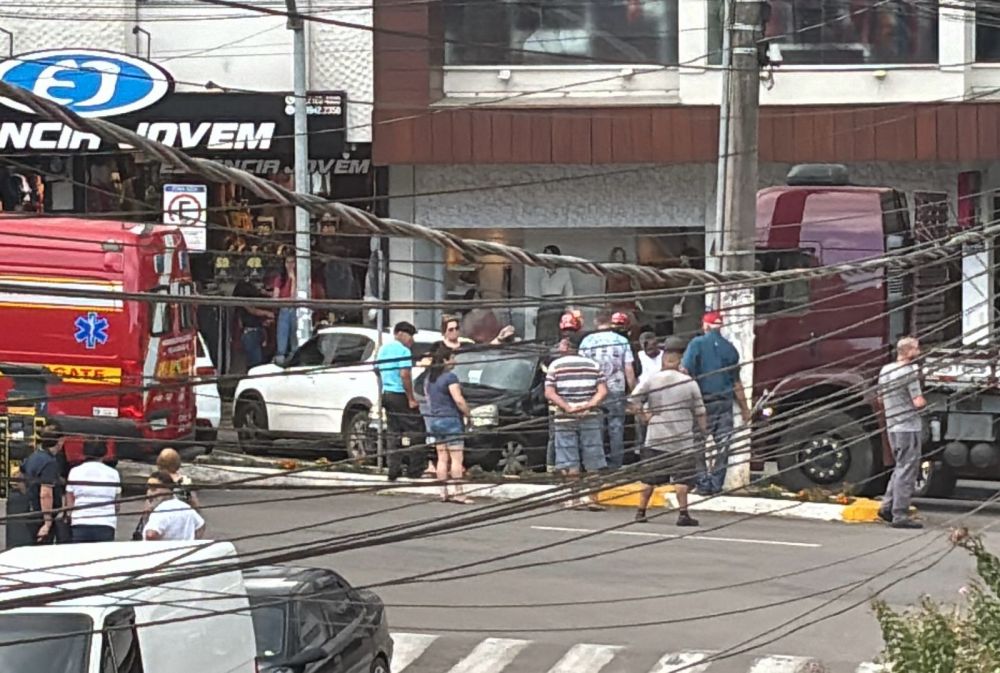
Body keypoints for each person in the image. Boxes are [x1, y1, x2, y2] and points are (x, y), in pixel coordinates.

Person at [629, 337, 707, 526]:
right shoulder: (689, 383)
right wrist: (704, 433)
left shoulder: (652, 380)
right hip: (682, 438)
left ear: (664, 359)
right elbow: (700, 412)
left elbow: (633, 401)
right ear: (679, 360)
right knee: (682, 478)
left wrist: (645, 417)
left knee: (649, 477)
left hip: (655, 435)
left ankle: (641, 511)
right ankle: (683, 514)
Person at [681, 311, 751, 495]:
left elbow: (686, 371)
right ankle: (717, 484)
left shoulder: (696, 344)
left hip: (703, 402)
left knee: (698, 444)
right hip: (725, 403)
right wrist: (745, 409)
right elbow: (737, 382)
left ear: (705, 325)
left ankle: (703, 483)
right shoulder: (730, 348)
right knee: (723, 445)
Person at [545, 333, 609, 511]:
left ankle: (573, 499)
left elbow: (549, 392)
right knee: (593, 456)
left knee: (568, 457)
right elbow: (602, 391)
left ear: (567, 346)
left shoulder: (555, 365)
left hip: (564, 416)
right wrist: (588, 406)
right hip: (590, 415)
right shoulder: (593, 365)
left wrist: (567, 407)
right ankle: (592, 499)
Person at [877, 337, 927, 529]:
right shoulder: (909, 372)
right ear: (908, 352)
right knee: (908, 470)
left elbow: (881, 399)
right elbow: (918, 402)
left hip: (893, 426)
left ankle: (887, 506)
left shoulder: (885, 370)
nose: (919, 351)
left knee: (900, 467)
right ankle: (900, 514)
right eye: (916, 348)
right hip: (909, 427)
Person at [579, 309, 637, 469]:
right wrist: (633, 392)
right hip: (616, 389)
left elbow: (582, 368)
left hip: (593, 390)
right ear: (611, 322)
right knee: (616, 428)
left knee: (594, 428)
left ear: (596, 322)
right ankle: (615, 465)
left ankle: (596, 465)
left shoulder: (587, 341)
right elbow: (629, 369)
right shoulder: (622, 340)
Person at [376, 321, 424, 480]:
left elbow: (376, 370)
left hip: (387, 394)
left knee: (393, 432)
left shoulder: (383, 349)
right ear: (401, 334)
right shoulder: (403, 351)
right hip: (399, 394)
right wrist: (411, 398)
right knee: (416, 430)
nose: (412, 341)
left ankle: (393, 469)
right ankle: (415, 469)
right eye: (411, 336)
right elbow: (405, 375)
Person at [426, 346, 474, 503]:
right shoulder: (450, 378)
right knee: (456, 459)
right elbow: (458, 400)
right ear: (445, 360)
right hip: (451, 420)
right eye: (452, 357)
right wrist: (468, 414)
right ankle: (459, 493)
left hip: (435, 420)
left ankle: (443, 492)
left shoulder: (430, 379)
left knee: (441, 458)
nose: (455, 361)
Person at [65, 439, 121, 543]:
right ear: (104, 452)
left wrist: (70, 516)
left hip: (80, 521)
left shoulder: (74, 471)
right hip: (106, 522)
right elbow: (117, 504)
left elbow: (69, 502)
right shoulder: (113, 473)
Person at [19, 431, 67, 545]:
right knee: (44, 551)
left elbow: (19, 477)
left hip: (31, 511)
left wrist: (28, 495)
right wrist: (47, 522)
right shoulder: (50, 463)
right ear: (59, 442)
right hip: (43, 516)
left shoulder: (34, 456)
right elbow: (46, 493)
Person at [143, 471, 206, 541]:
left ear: (168, 489)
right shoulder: (185, 507)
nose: (150, 492)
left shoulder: (161, 510)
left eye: (154, 488)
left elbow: (151, 535)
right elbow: (201, 526)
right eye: (149, 488)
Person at [233, 280, 273, 370]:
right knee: (256, 364)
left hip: (254, 332)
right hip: (251, 333)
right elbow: (252, 311)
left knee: (256, 362)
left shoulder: (241, 308)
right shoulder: (243, 304)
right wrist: (267, 313)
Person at [635, 332, 664, 447]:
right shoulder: (639, 356)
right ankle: (641, 449)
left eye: (652, 348)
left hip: (661, 393)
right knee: (642, 425)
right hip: (643, 395)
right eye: (646, 348)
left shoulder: (664, 355)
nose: (649, 352)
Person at [273, 253, 297, 361]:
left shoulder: (300, 277)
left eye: (293, 262)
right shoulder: (280, 278)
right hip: (284, 309)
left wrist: (293, 280)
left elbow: (294, 296)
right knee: (282, 339)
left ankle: (294, 357)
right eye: (288, 262)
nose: (290, 265)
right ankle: (281, 357)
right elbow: (275, 297)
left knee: (295, 339)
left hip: (296, 310)